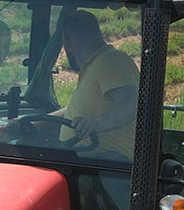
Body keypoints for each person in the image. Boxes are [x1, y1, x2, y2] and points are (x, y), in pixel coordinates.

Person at [57, 9, 138, 158]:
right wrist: (37, 121)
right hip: (83, 157)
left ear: (67, 42)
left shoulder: (110, 61)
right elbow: (76, 110)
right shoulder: (93, 65)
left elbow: (132, 104)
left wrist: (96, 124)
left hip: (108, 162)